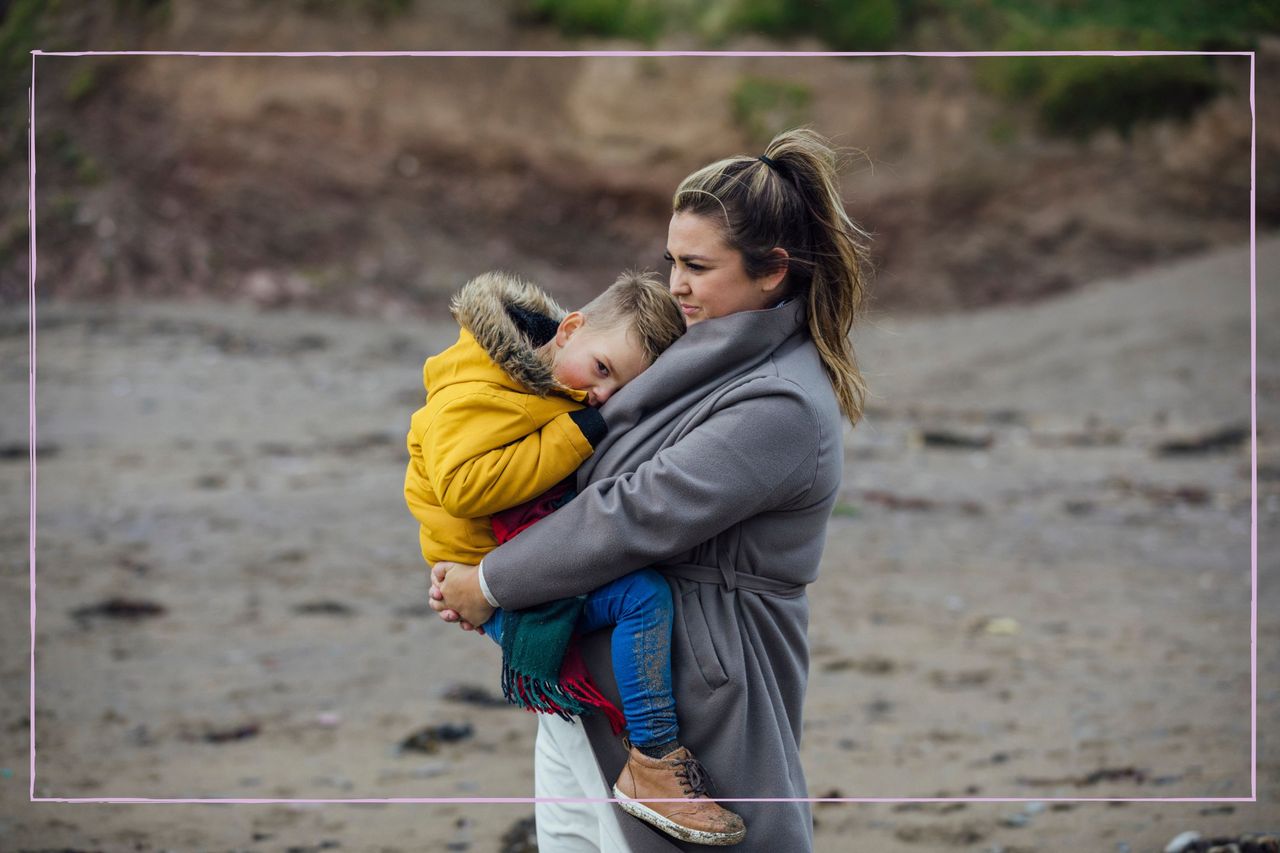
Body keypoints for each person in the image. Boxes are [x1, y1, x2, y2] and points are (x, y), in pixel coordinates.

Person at [431, 127, 870, 852]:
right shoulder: (691, 354)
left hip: (688, 698)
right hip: (591, 686)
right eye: (672, 261)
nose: (677, 286)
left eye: (698, 266)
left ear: (771, 272)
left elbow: (634, 513)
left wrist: (494, 581)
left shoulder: (781, 403)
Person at [403, 269, 748, 845]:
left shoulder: (538, 385)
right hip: (491, 577)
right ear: (569, 328)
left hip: (510, 566)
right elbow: (464, 487)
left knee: (567, 786)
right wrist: (581, 430)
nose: (602, 397)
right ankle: (655, 760)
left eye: (619, 392)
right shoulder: (478, 391)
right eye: (603, 371)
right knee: (642, 597)